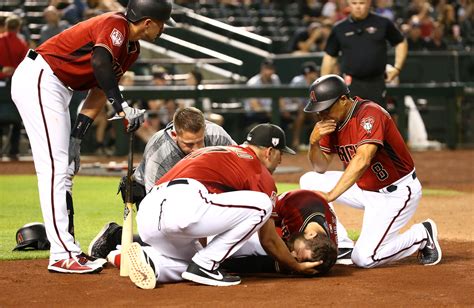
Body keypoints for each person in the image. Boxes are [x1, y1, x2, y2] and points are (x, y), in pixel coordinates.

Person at [10, 0, 175, 274]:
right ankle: (62, 254)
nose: (163, 28)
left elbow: (100, 87)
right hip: (42, 77)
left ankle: (68, 248)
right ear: (148, 22)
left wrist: (78, 135)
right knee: (55, 169)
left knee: (66, 169)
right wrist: (121, 106)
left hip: (57, 87)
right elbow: (99, 62)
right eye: (162, 23)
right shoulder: (115, 24)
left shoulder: (131, 49)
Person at [124, 123, 322, 289]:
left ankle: (151, 260)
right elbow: (268, 239)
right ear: (269, 152)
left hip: (149, 216)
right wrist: (295, 267)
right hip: (183, 203)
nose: (280, 160)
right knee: (263, 205)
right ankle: (205, 264)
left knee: (193, 261)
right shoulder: (257, 169)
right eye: (281, 154)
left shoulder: (218, 153)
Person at [300, 74, 442, 268]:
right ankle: (342, 244)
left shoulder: (370, 113)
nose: (320, 116)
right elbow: (320, 167)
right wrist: (313, 142)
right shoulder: (331, 124)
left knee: (365, 258)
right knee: (309, 180)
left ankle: (422, 234)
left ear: (343, 100)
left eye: (324, 109)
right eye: (318, 111)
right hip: (364, 188)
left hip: (395, 193)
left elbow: (363, 158)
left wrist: (331, 195)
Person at [222, 189, 339, 274]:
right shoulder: (299, 202)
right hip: (241, 208)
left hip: (276, 229)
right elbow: (260, 209)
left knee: (279, 254)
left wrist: (293, 265)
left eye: (297, 258)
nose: (292, 254)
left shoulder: (326, 251)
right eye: (297, 251)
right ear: (311, 234)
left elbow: (264, 264)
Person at [320, 0, 408, 109]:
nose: (358, 7)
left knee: (377, 120)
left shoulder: (382, 23)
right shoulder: (339, 28)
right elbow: (329, 57)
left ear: (369, 3)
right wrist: (323, 85)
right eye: (354, 3)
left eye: (362, 3)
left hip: (376, 82)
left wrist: (397, 68)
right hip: (350, 84)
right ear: (349, 4)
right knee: (351, 121)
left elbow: (400, 42)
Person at [133, 106, 236, 194]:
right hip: (160, 191)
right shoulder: (159, 153)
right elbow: (154, 203)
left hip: (202, 186)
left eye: (200, 142)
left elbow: (241, 166)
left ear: (204, 130)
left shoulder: (217, 136)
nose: (196, 150)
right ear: (174, 135)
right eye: (189, 144)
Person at [0, 14, 29, 160]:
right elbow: (28, 65)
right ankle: (14, 151)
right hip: (15, 84)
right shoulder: (21, 44)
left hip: (1, 83)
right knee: (16, 120)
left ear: (6, 26)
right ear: (18, 27)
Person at [287, 61, 320, 150]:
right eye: (314, 72)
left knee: (316, 114)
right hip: (294, 109)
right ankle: (295, 141)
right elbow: (291, 98)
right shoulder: (297, 81)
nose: (316, 74)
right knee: (301, 113)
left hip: (309, 109)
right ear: (308, 73)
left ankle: (319, 142)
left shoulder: (317, 82)